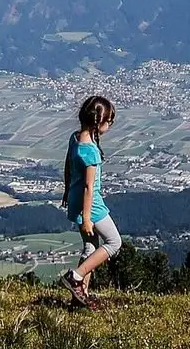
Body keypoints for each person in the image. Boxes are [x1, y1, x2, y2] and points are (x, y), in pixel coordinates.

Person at [59, 95, 121, 307]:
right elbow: (89, 187)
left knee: (90, 248)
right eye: (109, 121)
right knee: (114, 242)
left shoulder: (75, 138)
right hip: (91, 206)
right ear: (99, 121)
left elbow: (68, 166)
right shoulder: (91, 152)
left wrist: (67, 191)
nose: (110, 125)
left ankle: (79, 295)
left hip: (77, 200)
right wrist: (87, 218)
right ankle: (75, 277)